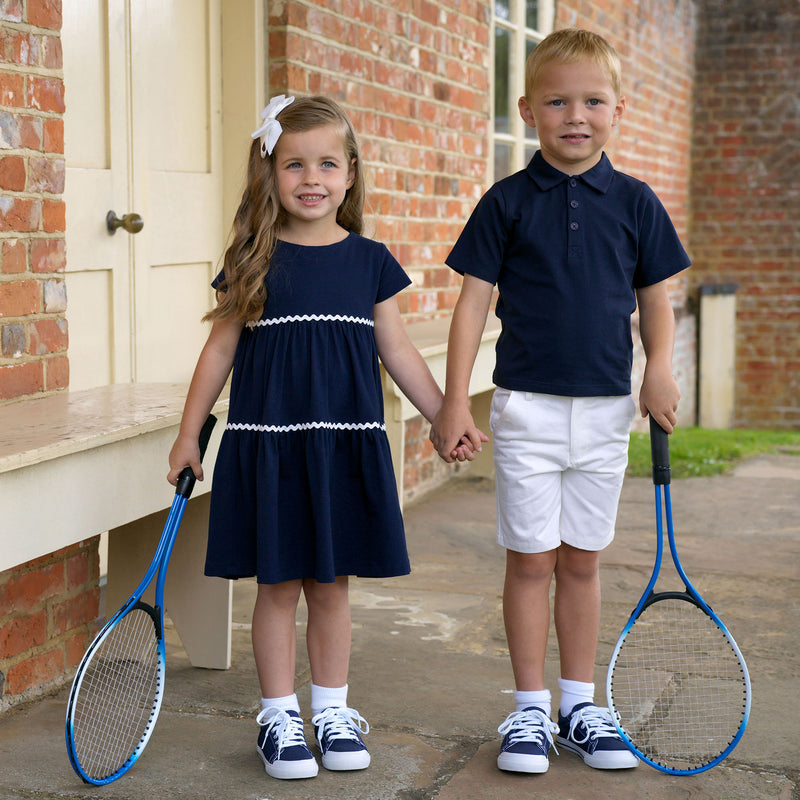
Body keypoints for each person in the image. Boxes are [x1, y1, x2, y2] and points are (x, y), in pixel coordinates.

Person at [167, 94, 473, 781]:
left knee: (331, 586)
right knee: (277, 585)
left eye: (327, 163)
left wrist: (441, 413)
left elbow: (397, 352)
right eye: (294, 164)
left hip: (341, 445)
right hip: (270, 446)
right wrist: (190, 437)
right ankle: (279, 717)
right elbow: (217, 356)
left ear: (351, 172)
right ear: (270, 173)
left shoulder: (369, 261)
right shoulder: (253, 260)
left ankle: (331, 711)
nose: (312, 178)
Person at [430, 28, 690, 774]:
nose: (576, 115)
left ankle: (581, 705)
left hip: (607, 410)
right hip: (527, 411)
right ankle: (530, 712)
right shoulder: (507, 202)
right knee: (531, 562)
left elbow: (656, 298)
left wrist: (660, 367)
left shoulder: (636, 202)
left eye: (593, 101)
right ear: (528, 110)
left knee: (582, 562)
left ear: (618, 110)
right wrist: (456, 402)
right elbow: (472, 307)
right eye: (558, 101)